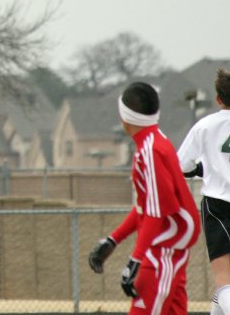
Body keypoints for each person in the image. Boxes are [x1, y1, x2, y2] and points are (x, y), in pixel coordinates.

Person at [87, 82, 200, 314]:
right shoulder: (155, 141)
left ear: (125, 118)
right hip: (168, 249)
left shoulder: (150, 151)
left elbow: (157, 213)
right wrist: (113, 240)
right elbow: (146, 207)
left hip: (163, 252)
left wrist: (135, 260)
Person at [176, 68, 230, 315]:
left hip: (218, 205)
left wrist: (201, 168)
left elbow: (181, 166)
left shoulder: (206, 125)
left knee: (224, 281)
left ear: (218, 99)